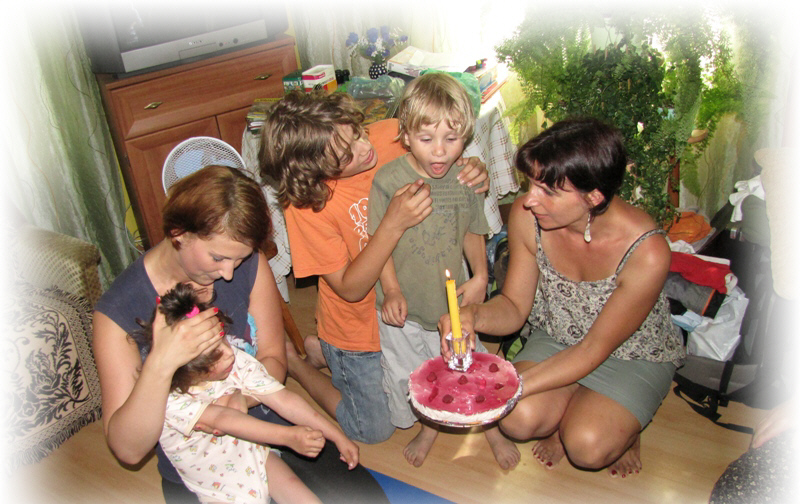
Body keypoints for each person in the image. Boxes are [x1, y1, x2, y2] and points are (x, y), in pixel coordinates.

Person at [92, 165, 395, 504]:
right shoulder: (117, 312)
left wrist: (241, 399)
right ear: (178, 234)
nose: (229, 274)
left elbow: (273, 360)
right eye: (218, 257)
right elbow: (128, 449)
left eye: (239, 259)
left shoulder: (246, 261)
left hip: (272, 433)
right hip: (203, 469)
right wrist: (161, 362)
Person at [439, 117, 686, 477]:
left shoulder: (646, 250)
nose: (528, 200)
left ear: (593, 197)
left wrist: (507, 386)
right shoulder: (529, 218)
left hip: (631, 353)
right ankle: (572, 410)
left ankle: (618, 426)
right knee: (517, 419)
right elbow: (514, 308)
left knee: (587, 446)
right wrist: (471, 315)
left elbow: (592, 350)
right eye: (531, 184)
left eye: (548, 191)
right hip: (559, 336)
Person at [258, 91, 489, 446]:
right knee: (374, 430)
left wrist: (473, 170)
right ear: (315, 174)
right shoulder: (305, 205)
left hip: (411, 312)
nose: (365, 148)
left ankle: (323, 353)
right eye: (346, 156)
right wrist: (392, 224)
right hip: (356, 328)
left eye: (358, 132)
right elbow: (351, 290)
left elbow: (445, 155)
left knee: (434, 383)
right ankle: (301, 362)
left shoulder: (394, 136)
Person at [368, 72, 520, 469]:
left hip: (453, 307)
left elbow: (472, 229)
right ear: (405, 135)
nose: (439, 151)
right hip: (402, 308)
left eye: (451, 139)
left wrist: (481, 275)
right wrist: (392, 289)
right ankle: (429, 427)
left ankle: (492, 429)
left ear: (466, 137)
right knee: (412, 374)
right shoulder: (388, 180)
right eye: (426, 138)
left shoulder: (465, 178)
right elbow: (379, 242)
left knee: (471, 366)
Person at [134, 282, 358, 504]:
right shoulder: (169, 398)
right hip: (216, 485)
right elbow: (224, 420)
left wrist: (337, 436)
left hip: (255, 454)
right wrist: (288, 437)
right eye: (214, 356)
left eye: (223, 339)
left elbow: (284, 400)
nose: (229, 353)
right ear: (186, 368)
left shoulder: (233, 361)